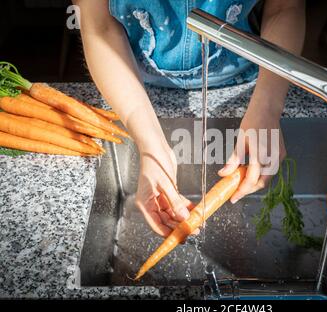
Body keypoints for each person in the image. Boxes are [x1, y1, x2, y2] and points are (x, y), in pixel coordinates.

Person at [74, 0, 305, 237]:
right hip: (129, 82)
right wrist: (151, 145)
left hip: (253, 81)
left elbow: (284, 8)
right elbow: (100, 27)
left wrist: (267, 106)